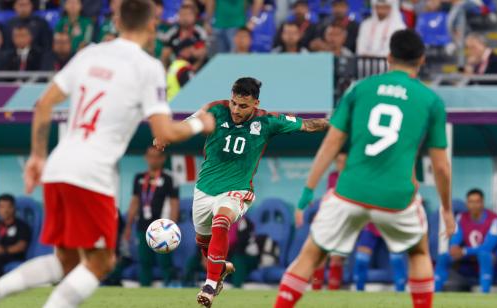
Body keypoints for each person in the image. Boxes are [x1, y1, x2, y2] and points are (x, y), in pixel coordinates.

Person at [0, 1, 214, 307]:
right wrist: (202, 122)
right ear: (151, 26)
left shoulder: (89, 53)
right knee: (101, 262)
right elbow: (166, 132)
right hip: (92, 173)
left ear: (116, 22)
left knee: (67, 260)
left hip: (58, 166)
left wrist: (38, 157)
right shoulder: (149, 67)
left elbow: (43, 105)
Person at [275, 29, 456, 308]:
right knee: (419, 253)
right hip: (396, 198)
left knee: (311, 255)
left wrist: (308, 190)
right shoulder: (431, 100)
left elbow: (331, 143)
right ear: (421, 60)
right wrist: (446, 209)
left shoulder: (359, 89)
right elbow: (441, 167)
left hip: (349, 191)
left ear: (388, 57)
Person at [155, 77, 329, 307]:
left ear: (255, 103)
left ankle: (209, 285)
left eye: (243, 106)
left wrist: (338, 122)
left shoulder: (268, 121)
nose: (236, 110)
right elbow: (187, 124)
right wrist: (165, 134)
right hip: (204, 189)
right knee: (203, 242)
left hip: (238, 189)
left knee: (222, 220)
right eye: (234, 103)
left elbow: (308, 125)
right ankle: (219, 268)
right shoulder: (216, 109)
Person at [123, 146, 180, 286]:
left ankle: (169, 285)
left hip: (163, 228)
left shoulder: (169, 179)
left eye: (156, 156)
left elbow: (174, 204)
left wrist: (172, 228)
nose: (153, 159)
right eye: (150, 156)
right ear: (145, 158)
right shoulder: (139, 178)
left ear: (163, 159)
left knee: (165, 261)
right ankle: (145, 287)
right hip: (143, 226)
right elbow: (135, 202)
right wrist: (128, 226)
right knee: (144, 260)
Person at [435, 189, 497, 293]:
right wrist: (454, 247)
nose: (474, 205)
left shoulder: (494, 219)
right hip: (467, 256)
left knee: (484, 254)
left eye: (477, 202)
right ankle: (435, 292)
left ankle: (485, 293)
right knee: (444, 256)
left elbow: (488, 246)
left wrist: (464, 251)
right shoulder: (461, 217)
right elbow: (457, 236)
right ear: (467, 203)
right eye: (471, 202)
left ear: (482, 203)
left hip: (491, 258)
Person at [306, 153, 347, 291]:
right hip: (330, 219)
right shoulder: (332, 176)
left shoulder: (350, 177)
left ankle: (333, 292)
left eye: (343, 161)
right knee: (320, 256)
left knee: (336, 257)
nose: (340, 163)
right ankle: (316, 290)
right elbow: (331, 196)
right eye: (338, 161)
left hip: (344, 221)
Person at [353, 223, 408, 291]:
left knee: (396, 258)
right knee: (361, 258)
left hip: (391, 226)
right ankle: (359, 291)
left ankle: (400, 291)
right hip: (371, 226)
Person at [161, 4, 207, 71]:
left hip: (197, 70)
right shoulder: (171, 34)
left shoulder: (199, 32)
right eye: (182, 14)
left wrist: (191, 52)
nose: (184, 18)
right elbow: (165, 55)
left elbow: (202, 52)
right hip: (176, 70)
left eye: (188, 14)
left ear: (195, 16)